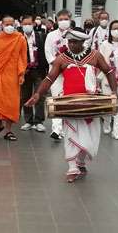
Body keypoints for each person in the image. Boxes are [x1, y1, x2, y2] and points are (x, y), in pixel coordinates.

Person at [25, 27, 117, 182]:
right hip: (70, 104)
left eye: (75, 42)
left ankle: (80, 161)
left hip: (90, 103)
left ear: (83, 42)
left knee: (90, 136)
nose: (71, 44)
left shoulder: (95, 56)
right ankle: (72, 167)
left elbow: (108, 71)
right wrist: (37, 94)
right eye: (69, 41)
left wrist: (114, 91)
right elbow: (49, 78)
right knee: (71, 134)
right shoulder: (62, 58)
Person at [0, 16, 27, 142]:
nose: (9, 26)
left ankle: (8, 131)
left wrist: (21, 74)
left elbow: (22, 58)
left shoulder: (20, 38)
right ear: (1, 25)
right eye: (6, 24)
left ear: (15, 24)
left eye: (11, 24)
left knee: (11, 103)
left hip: (13, 75)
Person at [44, 9, 73, 141]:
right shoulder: (51, 35)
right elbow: (48, 52)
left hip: (71, 71)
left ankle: (68, 128)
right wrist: (57, 64)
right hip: (55, 71)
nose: (63, 21)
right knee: (56, 98)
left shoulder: (74, 34)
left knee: (68, 99)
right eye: (60, 19)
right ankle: (56, 129)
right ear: (56, 21)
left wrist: (70, 64)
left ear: (70, 19)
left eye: (65, 19)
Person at [20, 15, 48, 133]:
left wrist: (46, 69)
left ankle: (39, 121)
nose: (27, 26)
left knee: (39, 94)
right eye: (25, 24)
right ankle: (28, 120)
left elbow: (45, 53)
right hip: (25, 71)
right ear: (21, 25)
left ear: (33, 24)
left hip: (38, 70)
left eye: (29, 23)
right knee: (25, 96)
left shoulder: (41, 36)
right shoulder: (19, 38)